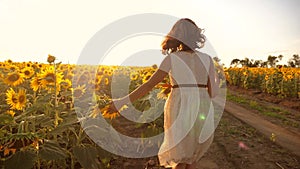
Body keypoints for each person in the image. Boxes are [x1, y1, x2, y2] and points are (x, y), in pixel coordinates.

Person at [108, 18, 219, 169]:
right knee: (191, 156)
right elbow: (213, 93)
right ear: (196, 36)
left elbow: (148, 85)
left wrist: (121, 102)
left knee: (180, 155)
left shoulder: (172, 59)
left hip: (179, 106)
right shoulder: (207, 59)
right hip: (202, 108)